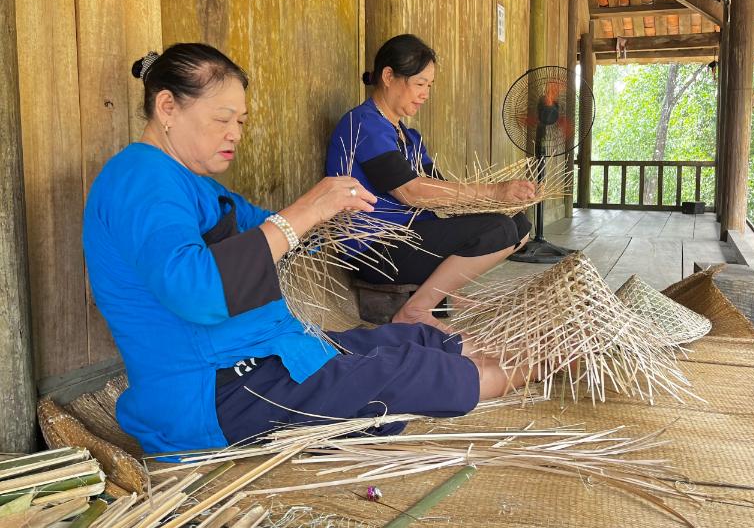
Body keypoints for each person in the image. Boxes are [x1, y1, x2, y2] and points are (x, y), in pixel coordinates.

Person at [82, 43, 529, 455]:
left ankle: (520, 349)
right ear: (167, 107)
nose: (235, 133)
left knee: (402, 339)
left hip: (256, 355)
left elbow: (277, 235)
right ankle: (544, 362)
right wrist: (306, 211)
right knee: (404, 372)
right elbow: (197, 290)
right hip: (214, 392)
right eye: (222, 119)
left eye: (240, 121)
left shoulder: (193, 185)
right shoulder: (139, 179)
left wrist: (329, 223)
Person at [326, 34, 536, 331]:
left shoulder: (409, 138)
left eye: (429, 86)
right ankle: (416, 310)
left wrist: (500, 200)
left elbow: (438, 189)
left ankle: (445, 296)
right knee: (498, 229)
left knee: (517, 223)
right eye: (419, 83)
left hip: (411, 236)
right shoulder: (363, 125)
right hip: (377, 248)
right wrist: (493, 191)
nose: (425, 93)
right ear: (388, 76)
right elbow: (412, 191)